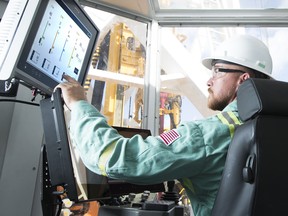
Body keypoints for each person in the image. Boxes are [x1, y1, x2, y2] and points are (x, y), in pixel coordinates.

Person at [56, 35, 273, 216]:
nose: (209, 80)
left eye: (218, 70)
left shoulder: (207, 135)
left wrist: (79, 104)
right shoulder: (272, 130)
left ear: (243, 79)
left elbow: (114, 156)